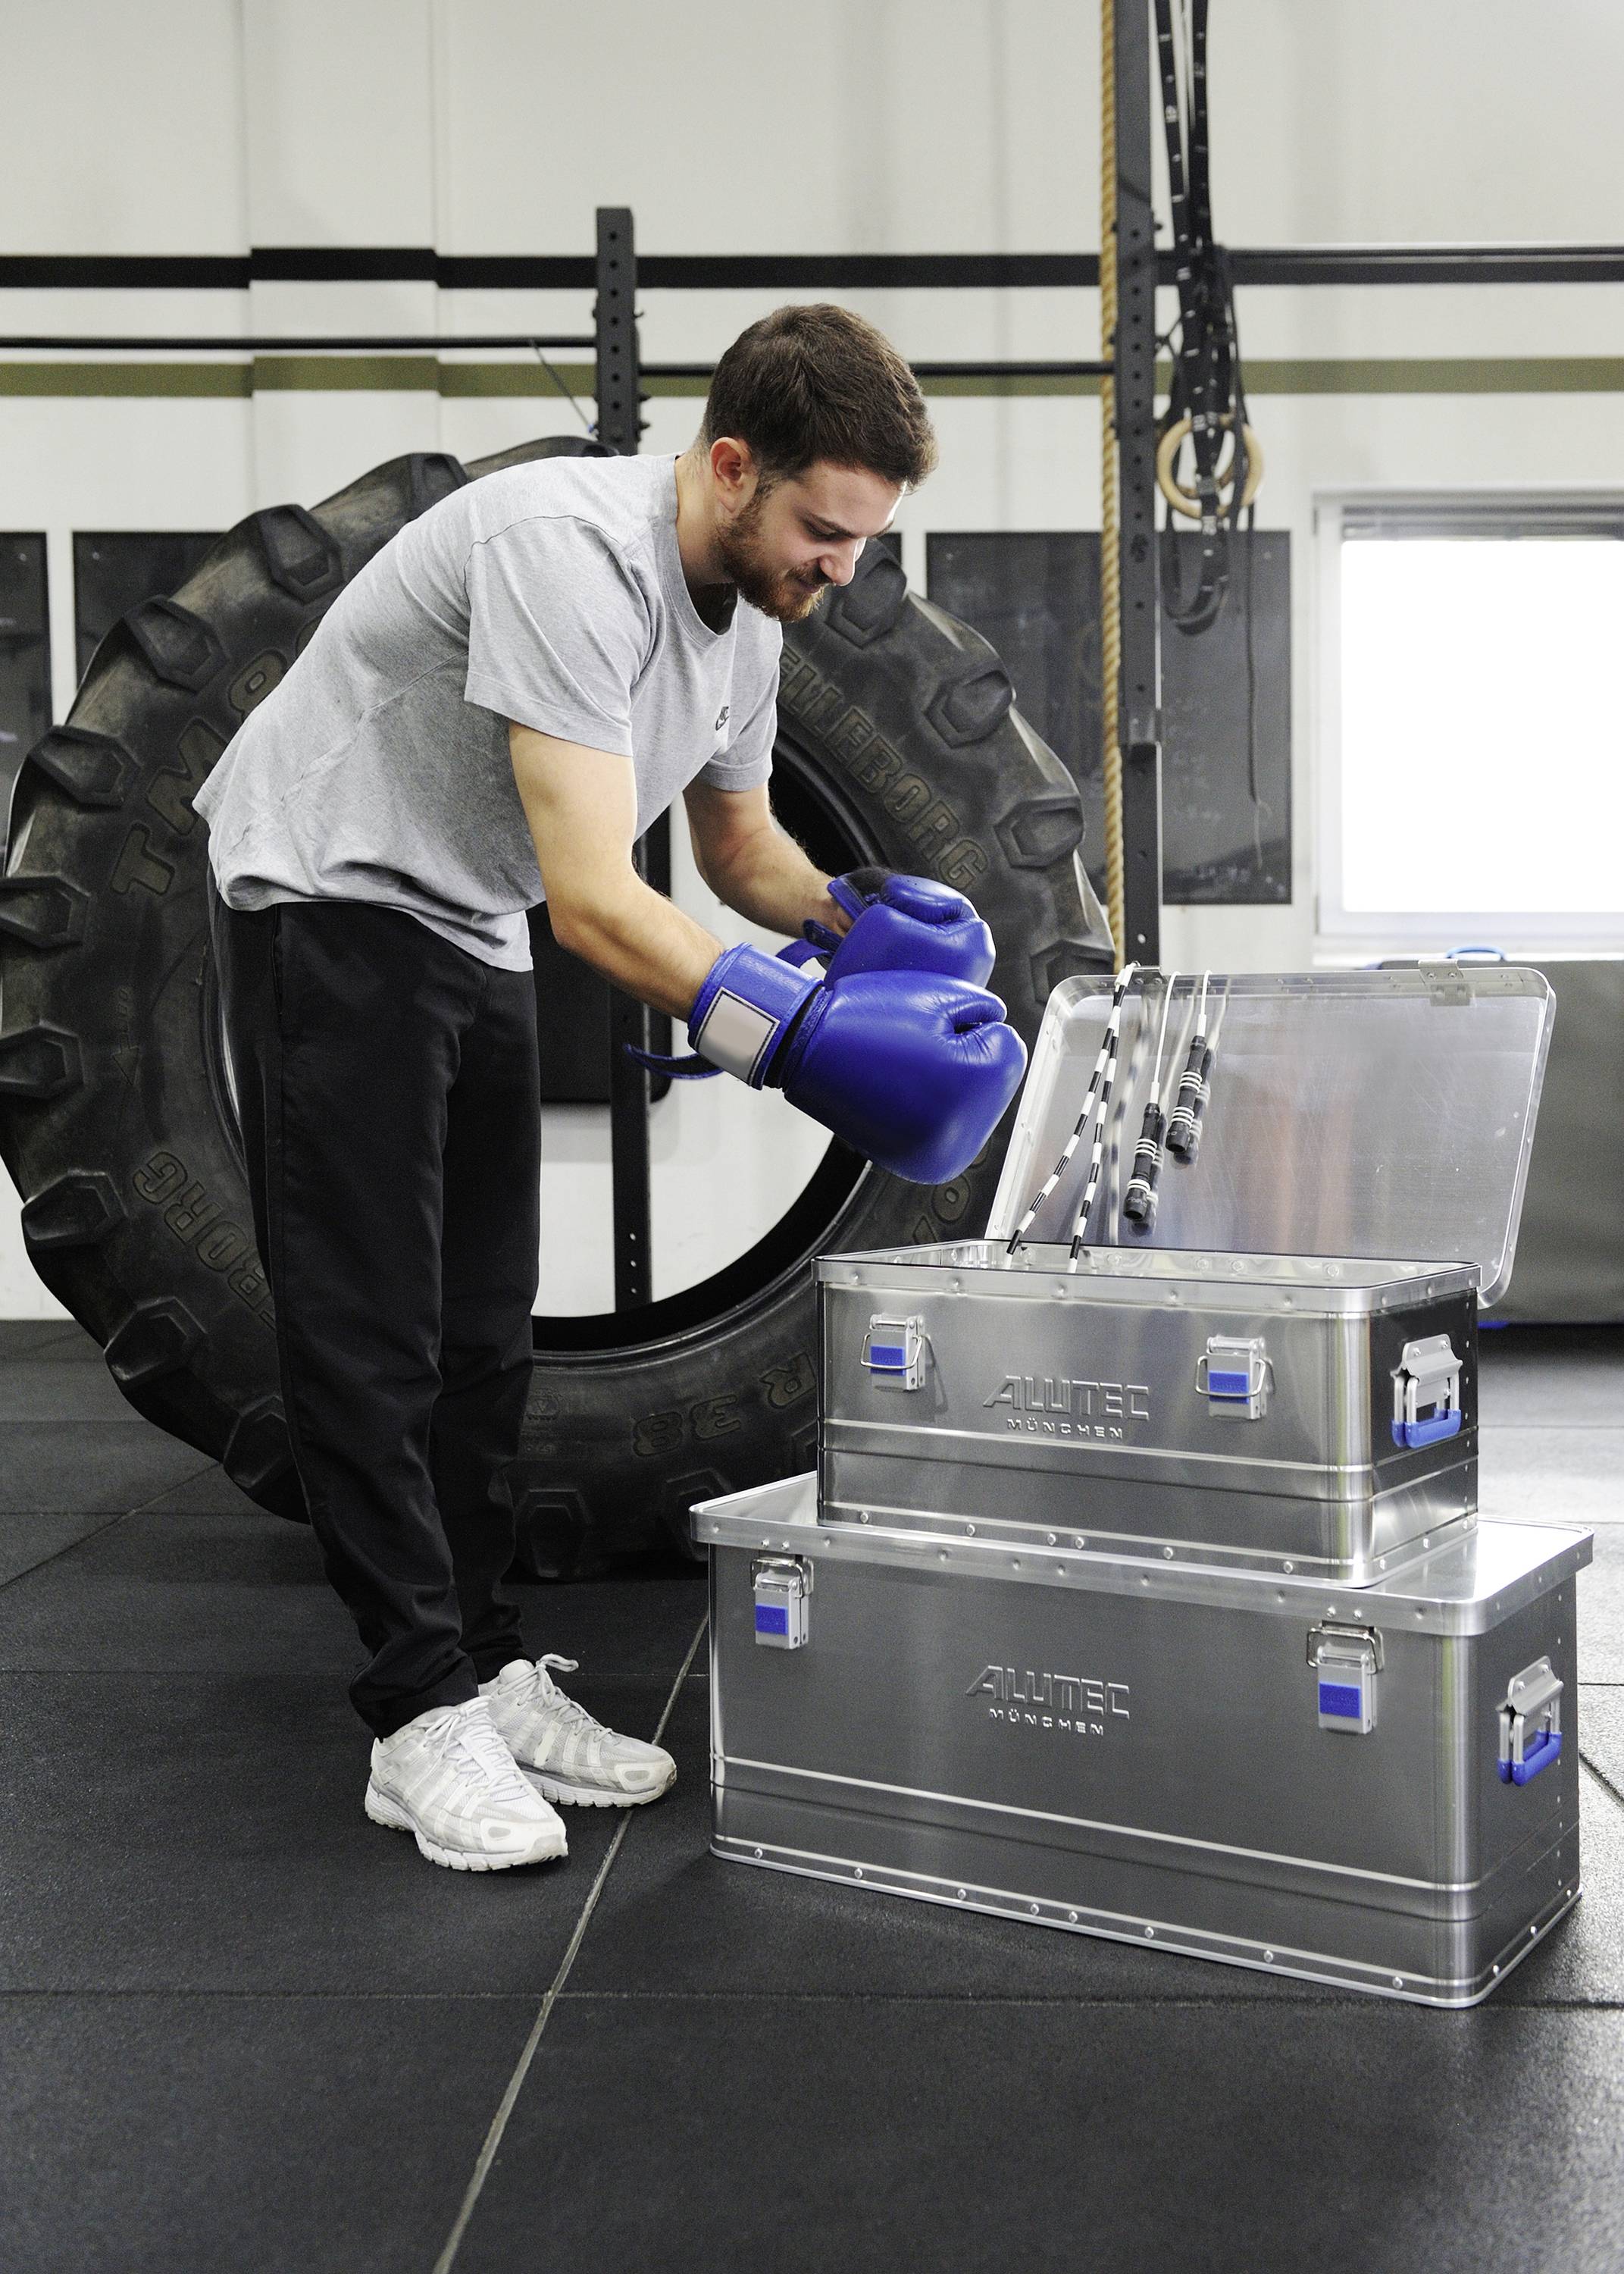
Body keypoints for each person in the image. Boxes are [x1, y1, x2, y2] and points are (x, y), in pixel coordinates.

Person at [196, 302, 1025, 1876]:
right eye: (822, 527)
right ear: (729, 465)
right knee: (368, 1324)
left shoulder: (751, 619)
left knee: (480, 1328)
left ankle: (482, 1660)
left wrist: (865, 922)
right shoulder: (570, 553)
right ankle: (411, 1717)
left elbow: (736, 852)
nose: (841, 566)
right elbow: (593, 898)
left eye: (864, 538)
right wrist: (794, 1038)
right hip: (333, 887)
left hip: (466, 907)